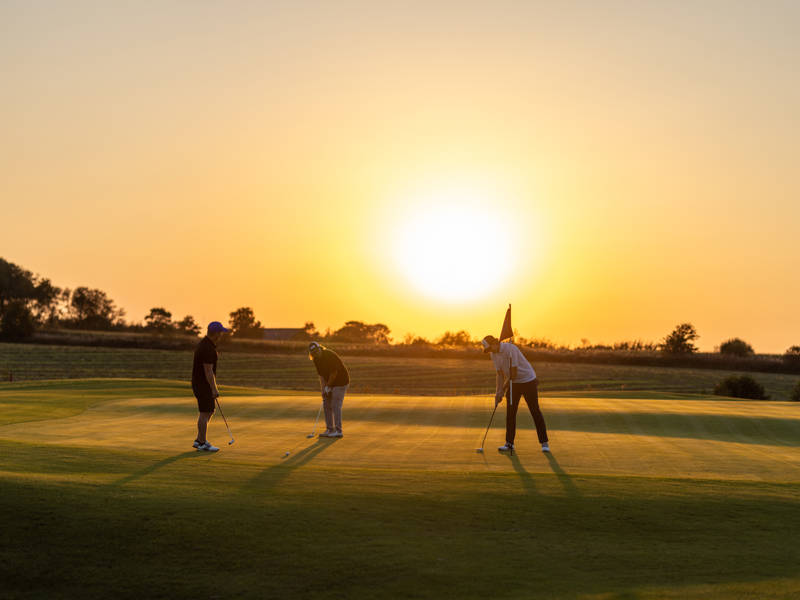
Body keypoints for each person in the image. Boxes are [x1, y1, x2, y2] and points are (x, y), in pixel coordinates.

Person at [481, 335, 549, 453]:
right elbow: (499, 374)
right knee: (511, 413)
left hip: (528, 380)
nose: (490, 351)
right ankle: (509, 443)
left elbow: (514, 374)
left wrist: (503, 389)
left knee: (534, 410)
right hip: (514, 384)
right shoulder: (493, 354)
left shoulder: (511, 349)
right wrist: (498, 392)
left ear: (495, 343)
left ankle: (544, 443)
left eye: (490, 348)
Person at [191, 321, 230, 451]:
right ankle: (202, 443)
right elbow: (208, 371)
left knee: (209, 411)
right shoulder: (207, 348)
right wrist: (214, 388)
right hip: (203, 384)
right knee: (205, 412)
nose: (222, 335)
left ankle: (199, 439)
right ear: (217, 333)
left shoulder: (206, 344)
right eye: (221, 333)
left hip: (200, 383)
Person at [308, 341, 350, 438]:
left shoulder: (329, 355)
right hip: (330, 382)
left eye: (316, 351)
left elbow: (334, 373)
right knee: (326, 403)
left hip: (341, 382)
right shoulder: (316, 359)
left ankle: (338, 431)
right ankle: (330, 429)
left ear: (320, 348)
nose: (316, 353)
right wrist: (323, 390)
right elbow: (321, 376)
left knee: (335, 404)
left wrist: (328, 386)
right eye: (313, 352)